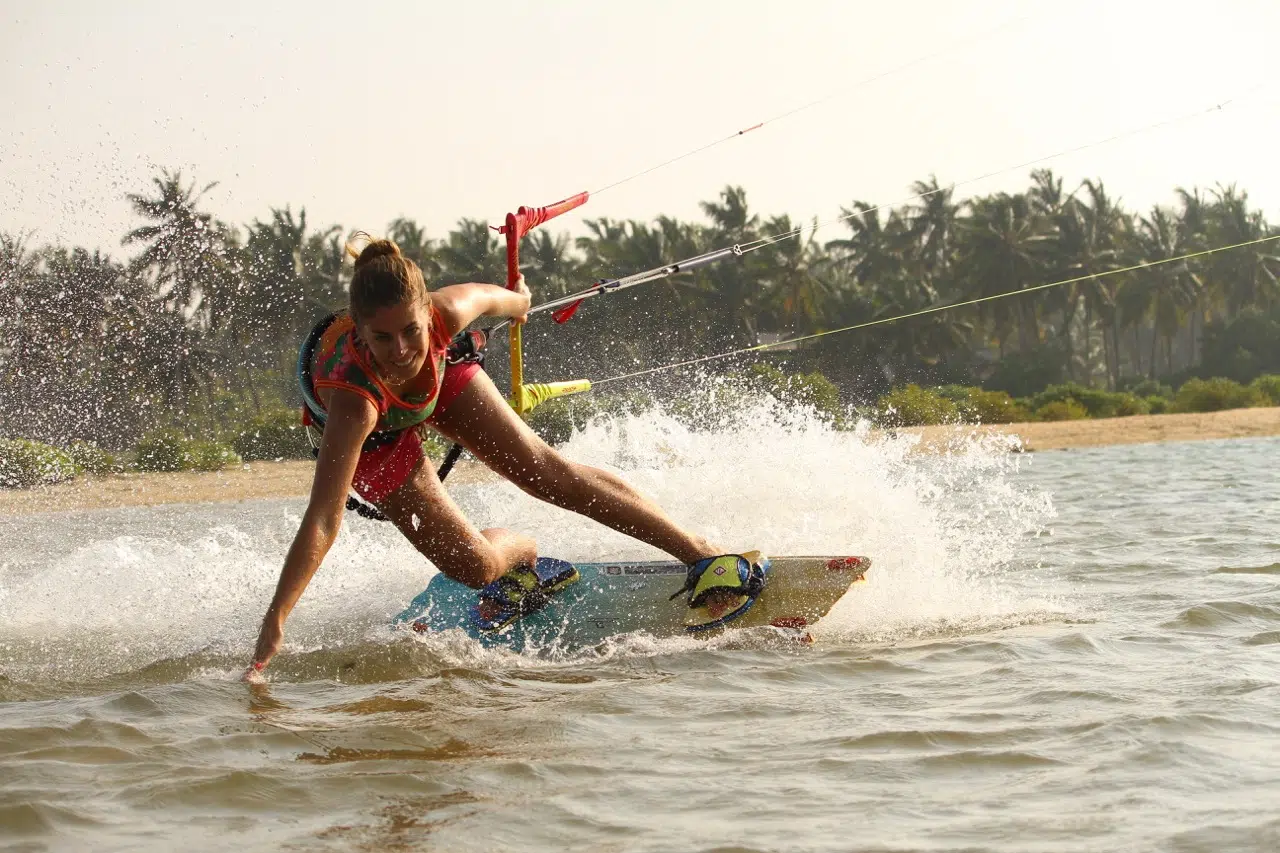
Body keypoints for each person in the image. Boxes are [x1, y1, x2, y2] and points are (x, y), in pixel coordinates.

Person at [246, 236, 744, 677]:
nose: (400, 350)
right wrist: (277, 618)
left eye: (410, 330)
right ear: (359, 331)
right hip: (379, 436)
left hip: (441, 380)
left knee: (547, 472)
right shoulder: (353, 405)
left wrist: (522, 301)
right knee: (476, 569)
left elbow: (501, 299)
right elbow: (323, 520)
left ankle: (701, 555)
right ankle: (522, 555)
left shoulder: (447, 312)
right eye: (382, 337)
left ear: (428, 314)